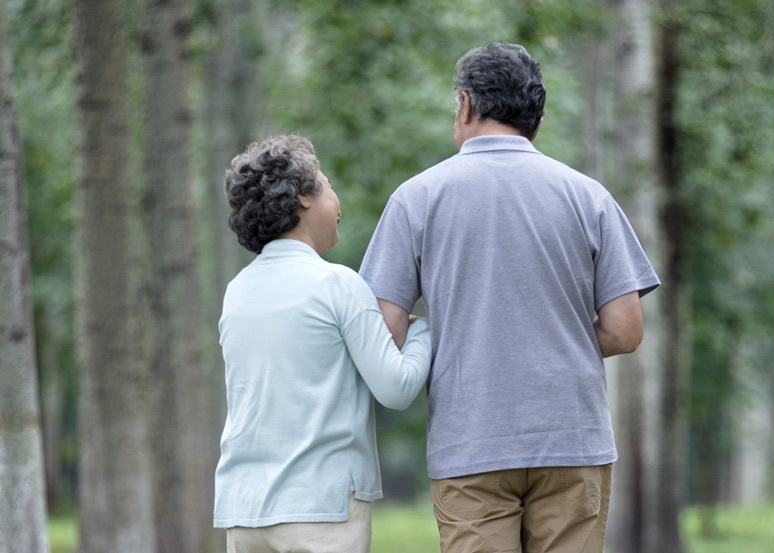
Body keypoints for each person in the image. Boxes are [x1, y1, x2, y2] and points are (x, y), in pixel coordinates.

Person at [359, 42, 660, 553]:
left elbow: (385, 330)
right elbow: (625, 331)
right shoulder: (588, 196)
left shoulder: (416, 198)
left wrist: (451, 339)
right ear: (536, 122)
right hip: (572, 440)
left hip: (470, 441)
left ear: (465, 105)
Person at [213, 135, 432, 553]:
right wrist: (426, 331)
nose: (338, 203)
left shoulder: (237, 291)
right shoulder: (337, 283)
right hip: (320, 507)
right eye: (329, 186)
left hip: (244, 508)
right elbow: (397, 388)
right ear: (303, 198)